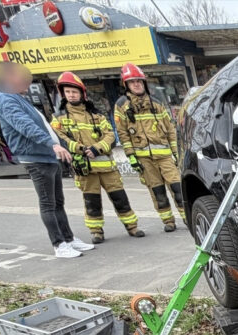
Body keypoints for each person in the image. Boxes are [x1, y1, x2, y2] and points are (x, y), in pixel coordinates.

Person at [0, 61, 94, 259]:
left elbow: (43, 126)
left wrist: (61, 147)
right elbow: (25, 126)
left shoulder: (18, 99)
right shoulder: (6, 99)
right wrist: (51, 144)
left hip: (48, 157)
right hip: (36, 158)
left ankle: (69, 239)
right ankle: (59, 244)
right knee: (48, 203)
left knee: (58, 202)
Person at [51, 71, 145, 244]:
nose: (71, 95)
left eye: (74, 92)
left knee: (120, 198)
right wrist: (79, 148)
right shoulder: (59, 118)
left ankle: (132, 227)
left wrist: (97, 148)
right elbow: (59, 139)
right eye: (68, 92)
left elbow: (110, 135)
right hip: (86, 170)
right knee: (92, 203)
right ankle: (96, 232)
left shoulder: (97, 116)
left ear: (82, 94)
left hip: (107, 167)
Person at [114, 63, 185, 232]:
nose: (136, 84)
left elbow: (170, 130)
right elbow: (123, 133)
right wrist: (131, 156)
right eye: (132, 82)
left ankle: (187, 218)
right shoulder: (122, 105)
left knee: (178, 188)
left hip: (165, 156)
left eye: (139, 81)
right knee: (158, 192)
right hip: (144, 158)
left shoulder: (157, 103)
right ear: (126, 85)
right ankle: (168, 221)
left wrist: (176, 153)